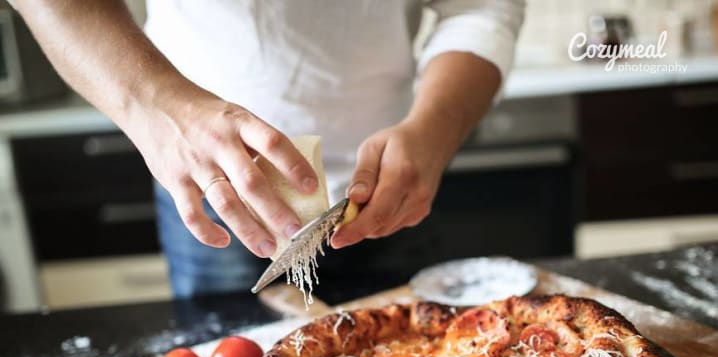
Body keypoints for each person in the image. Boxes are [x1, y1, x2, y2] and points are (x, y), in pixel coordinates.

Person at [14, 0, 525, 297]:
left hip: (393, 186)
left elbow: (481, 7)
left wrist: (433, 130)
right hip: (216, 189)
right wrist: (158, 106)